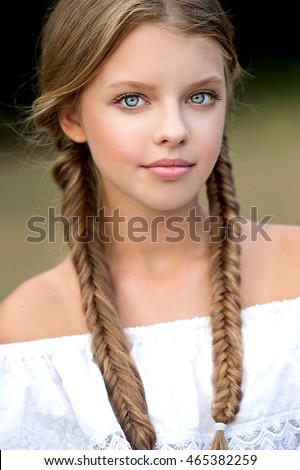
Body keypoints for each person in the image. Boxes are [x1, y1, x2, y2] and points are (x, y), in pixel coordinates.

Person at [0, 0, 300, 451]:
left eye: (200, 96)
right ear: (73, 117)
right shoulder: (27, 331)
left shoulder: (292, 274)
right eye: (132, 99)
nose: (174, 129)